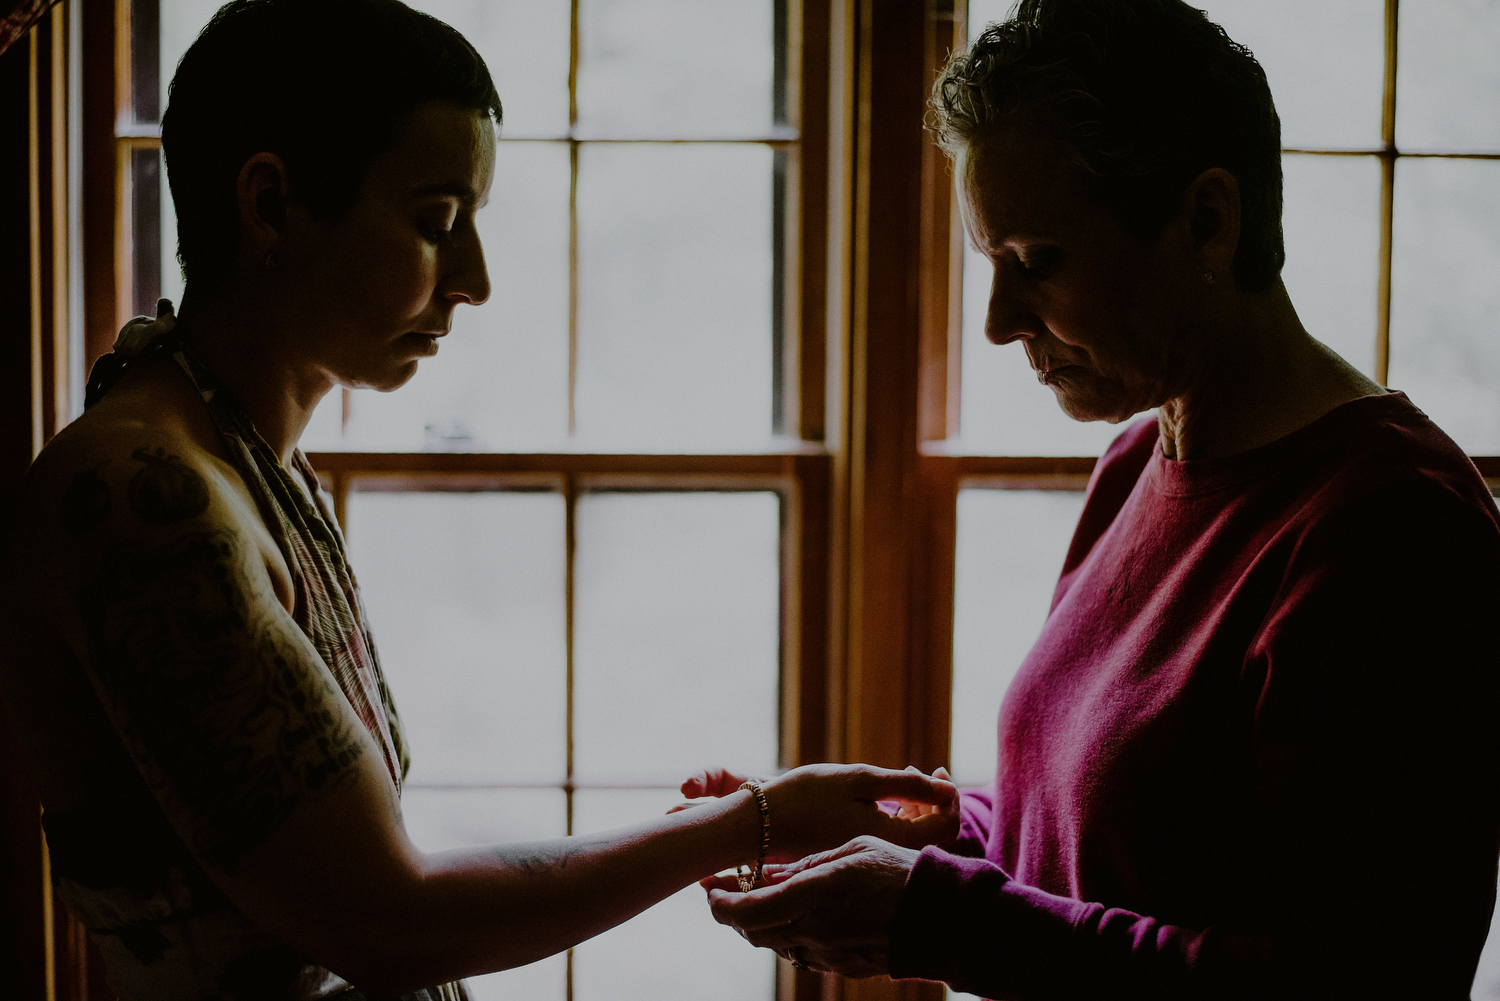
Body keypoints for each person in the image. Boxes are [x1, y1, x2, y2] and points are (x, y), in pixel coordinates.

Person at [0, 2, 959, 999]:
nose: (476, 280)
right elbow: (384, 920)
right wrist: (753, 820)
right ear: (272, 204)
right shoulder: (143, 500)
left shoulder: (246, 457)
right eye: (436, 222)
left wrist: (724, 823)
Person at [703, 1, 1500, 998]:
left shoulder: (1391, 534)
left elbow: (1359, 980)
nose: (997, 321)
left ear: (1206, 219)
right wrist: (937, 833)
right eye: (991, 263)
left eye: (1037, 261)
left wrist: (940, 914)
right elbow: (1123, 852)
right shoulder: (1137, 458)